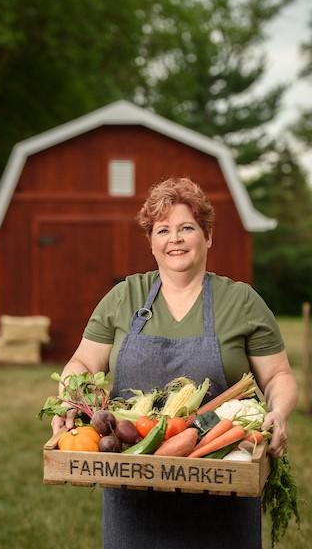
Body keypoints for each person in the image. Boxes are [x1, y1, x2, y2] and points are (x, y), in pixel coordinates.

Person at [51, 177, 298, 549]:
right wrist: (71, 398)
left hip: (223, 484)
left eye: (187, 227)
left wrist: (278, 412)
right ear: (151, 243)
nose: (175, 238)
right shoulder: (125, 297)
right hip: (134, 487)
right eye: (163, 230)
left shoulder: (241, 301)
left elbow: (278, 374)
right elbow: (83, 361)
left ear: (208, 236)